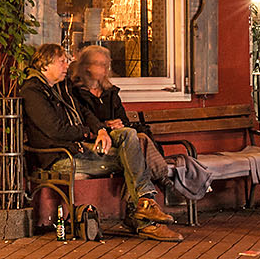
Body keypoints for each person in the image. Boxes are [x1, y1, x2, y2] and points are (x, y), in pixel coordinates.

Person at [21, 42, 180, 241]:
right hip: (60, 155)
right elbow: (56, 130)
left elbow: (84, 112)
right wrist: (89, 134)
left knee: (128, 135)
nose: (66, 66)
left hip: (81, 148)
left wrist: (101, 131)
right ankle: (145, 218)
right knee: (134, 159)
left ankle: (144, 206)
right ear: (45, 64)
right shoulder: (33, 92)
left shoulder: (63, 86)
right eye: (61, 62)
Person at [68, 44, 180, 225]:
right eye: (100, 64)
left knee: (137, 139)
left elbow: (124, 119)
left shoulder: (110, 92)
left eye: (107, 64)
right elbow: (82, 121)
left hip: (122, 139)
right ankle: (159, 183)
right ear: (87, 66)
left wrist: (119, 124)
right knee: (138, 141)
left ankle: (137, 206)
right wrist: (105, 126)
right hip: (96, 142)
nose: (105, 69)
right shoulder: (76, 93)